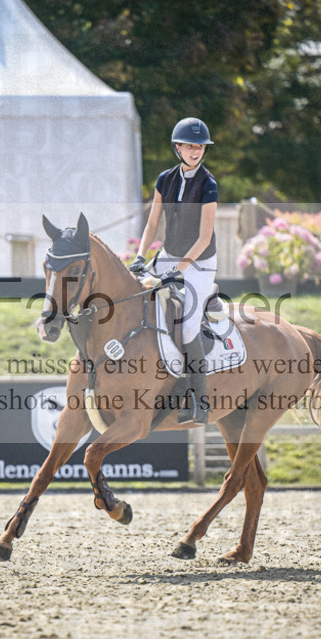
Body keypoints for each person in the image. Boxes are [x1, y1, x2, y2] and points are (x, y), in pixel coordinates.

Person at [130, 117, 218, 425]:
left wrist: (176, 271)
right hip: (168, 254)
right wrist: (141, 257)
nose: (195, 151)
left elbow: (204, 237)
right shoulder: (164, 179)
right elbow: (153, 223)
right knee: (136, 294)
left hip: (200, 262)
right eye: (189, 146)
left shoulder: (208, 185)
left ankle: (200, 401)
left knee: (189, 326)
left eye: (200, 147)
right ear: (177, 147)